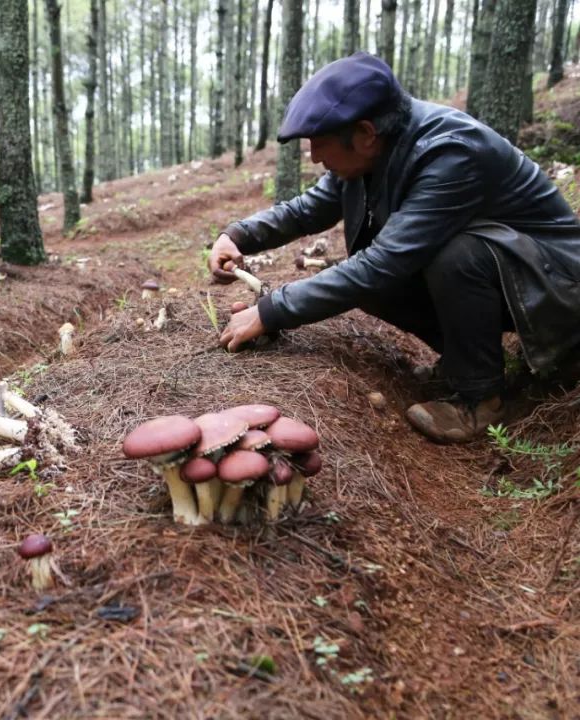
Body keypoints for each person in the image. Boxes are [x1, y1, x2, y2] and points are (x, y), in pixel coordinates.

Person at [208, 52, 580, 444]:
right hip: (515, 277)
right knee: (381, 276)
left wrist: (271, 311)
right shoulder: (373, 151)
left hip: (558, 286)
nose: (315, 156)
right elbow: (310, 209)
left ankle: (480, 399)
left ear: (366, 133)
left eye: (320, 143)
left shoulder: (449, 152)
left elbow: (384, 262)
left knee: (454, 256)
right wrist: (239, 235)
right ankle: (461, 364)